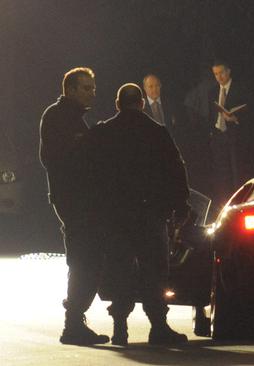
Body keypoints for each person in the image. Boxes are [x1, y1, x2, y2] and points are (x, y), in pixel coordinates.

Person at [90, 83, 190, 346]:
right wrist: (180, 205)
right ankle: (158, 325)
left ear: (118, 104)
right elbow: (176, 170)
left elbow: (90, 174)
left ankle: (120, 327)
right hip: (150, 213)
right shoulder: (157, 132)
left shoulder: (103, 132)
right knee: (154, 270)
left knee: (119, 268)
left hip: (115, 215)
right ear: (142, 104)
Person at [39, 67, 109, 345]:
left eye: (93, 87)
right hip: (73, 200)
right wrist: (88, 144)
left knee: (87, 258)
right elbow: (54, 158)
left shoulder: (73, 118)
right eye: (87, 88)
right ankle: (73, 324)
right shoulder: (57, 116)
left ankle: (75, 321)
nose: (92, 92)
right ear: (71, 90)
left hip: (80, 199)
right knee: (83, 259)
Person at [184, 59, 249, 209]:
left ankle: (240, 204)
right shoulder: (213, 91)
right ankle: (224, 205)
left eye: (221, 73)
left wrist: (235, 118)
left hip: (235, 136)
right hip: (218, 135)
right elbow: (210, 114)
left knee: (236, 171)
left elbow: (249, 111)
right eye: (215, 74)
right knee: (222, 174)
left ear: (228, 71)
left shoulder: (239, 88)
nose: (219, 77)